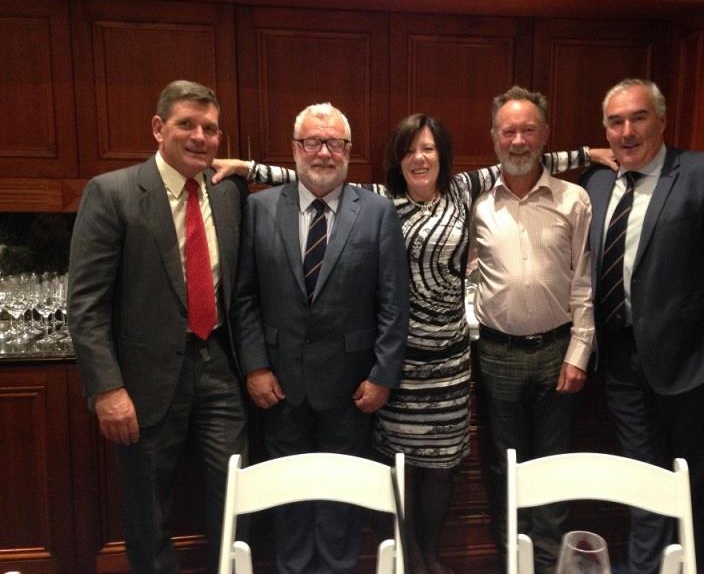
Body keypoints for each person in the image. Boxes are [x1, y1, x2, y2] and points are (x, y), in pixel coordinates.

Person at [213, 115, 600, 573]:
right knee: (397, 466)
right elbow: (318, 172)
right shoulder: (379, 199)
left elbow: (522, 156)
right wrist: (248, 168)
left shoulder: (460, 190)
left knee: (440, 467)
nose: (420, 157)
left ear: (442, 157)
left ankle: (426, 555)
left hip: (450, 360)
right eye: (409, 149)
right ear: (397, 159)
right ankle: (403, 553)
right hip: (397, 362)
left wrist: (590, 156)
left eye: (429, 149)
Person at [581, 78, 704, 573]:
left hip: (693, 365)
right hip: (620, 366)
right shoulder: (597, 185)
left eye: (638, 117)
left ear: (661, 120)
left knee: (692, 489)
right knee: (643, 483)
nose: (627, 130)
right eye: (616, 121)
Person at [67, 80, 249, 574]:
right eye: (186, 124)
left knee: (235, 498)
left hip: (219, 370)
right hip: (143, 381)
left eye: (210, 128)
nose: (200, 137)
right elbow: (85, 304)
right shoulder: (113, 193)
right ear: (158, 128)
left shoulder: (230, 193)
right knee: (148, 513)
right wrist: (107, 389)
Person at [231, 102, 409, 574]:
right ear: (295, 149)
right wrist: (254, 366)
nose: (324, 152)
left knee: (340, 497)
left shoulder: (376, 212)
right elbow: (244, 297)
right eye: (313, 142)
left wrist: (382, 376)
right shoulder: (258, 208)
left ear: (349, 151)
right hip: (279, 383)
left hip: (353, 388)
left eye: (335, 143)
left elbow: (394, 303)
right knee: (286, 495)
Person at [468, 85, 594, 574]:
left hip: (557, 350)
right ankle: (512, 562)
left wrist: (578, 352)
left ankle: (548, 564)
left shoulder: (574, 200)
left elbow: (583, 280)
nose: (518, 140)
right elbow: (464, 274)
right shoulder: (477, 203)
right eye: (508, 131)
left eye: (527, 130)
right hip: (496, 353)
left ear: (544, 135)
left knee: (553, 464)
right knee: (505, 466)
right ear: (495, 138)